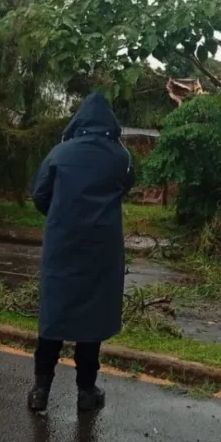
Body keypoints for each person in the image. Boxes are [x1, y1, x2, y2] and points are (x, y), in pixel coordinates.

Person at [27, 92, 135, 413]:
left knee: (54, 316)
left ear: (78, 120)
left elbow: (39, 194)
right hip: (102, 251)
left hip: (62, 246)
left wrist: (61, 216)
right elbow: (127, 186)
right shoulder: (121, 156)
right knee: (93, 319)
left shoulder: (59, 152)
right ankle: (86, 391)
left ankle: (40, 391)